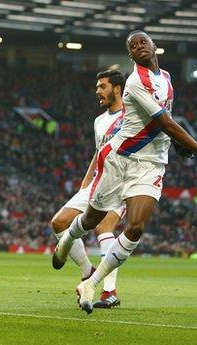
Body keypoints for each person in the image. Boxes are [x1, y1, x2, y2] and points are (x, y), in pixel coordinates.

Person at [53, 30, 197, 314]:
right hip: (121, 159)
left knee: (135, 228)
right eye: (133, 45)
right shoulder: (134, 81)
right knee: (92, 219)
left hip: (151, 164)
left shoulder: (166, 79)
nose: (140, 46)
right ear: (130, 55)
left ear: (155, 46)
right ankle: (69, 237)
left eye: (144, 41)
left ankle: (92, 283)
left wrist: (179, 145)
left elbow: (163, 122)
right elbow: (165, 122)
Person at [50, 70, 126, 308]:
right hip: (97, 182)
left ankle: (109, 292)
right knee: (59, 223)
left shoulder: (133, 116)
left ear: (117, 88)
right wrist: (85, 182)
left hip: (123, 184)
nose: (97, 92)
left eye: (102, 86)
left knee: (104, 227)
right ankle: (87, 272)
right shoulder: (99, 120)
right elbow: (98, 151)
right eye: (97, 87)